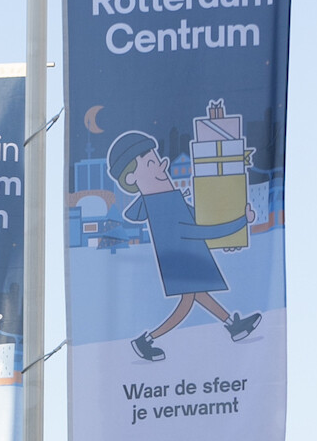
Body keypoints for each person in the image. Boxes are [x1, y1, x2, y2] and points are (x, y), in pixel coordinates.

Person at [104, 131, 262, 363]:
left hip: (187, 256)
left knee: (199, 295)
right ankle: (146, 340)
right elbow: (196, 229)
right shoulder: (161, 204)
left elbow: (200, 219)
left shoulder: (166, 199)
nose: (162, 167)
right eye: (151, 164)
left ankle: (233, 326)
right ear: (131, 179)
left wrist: (231, 232)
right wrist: (238, 224)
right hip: (181, 259)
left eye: (157, 161)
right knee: (188, 301)